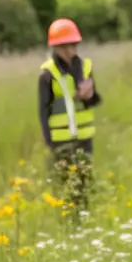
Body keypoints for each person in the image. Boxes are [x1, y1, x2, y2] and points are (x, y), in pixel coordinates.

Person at [39, 18, 100, 204]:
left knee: (84, 187)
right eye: (65, 46)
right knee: (65, 189)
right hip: (61, 142)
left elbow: (95, 101)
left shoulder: (85, 68)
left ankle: (83, 222)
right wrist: (49, 142)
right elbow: (43, 110)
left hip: (84, 139)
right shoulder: (47, 74)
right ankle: (68, 224)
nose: (70, 51)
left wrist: (89, 97)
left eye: (73, 45)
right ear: (55, 47)